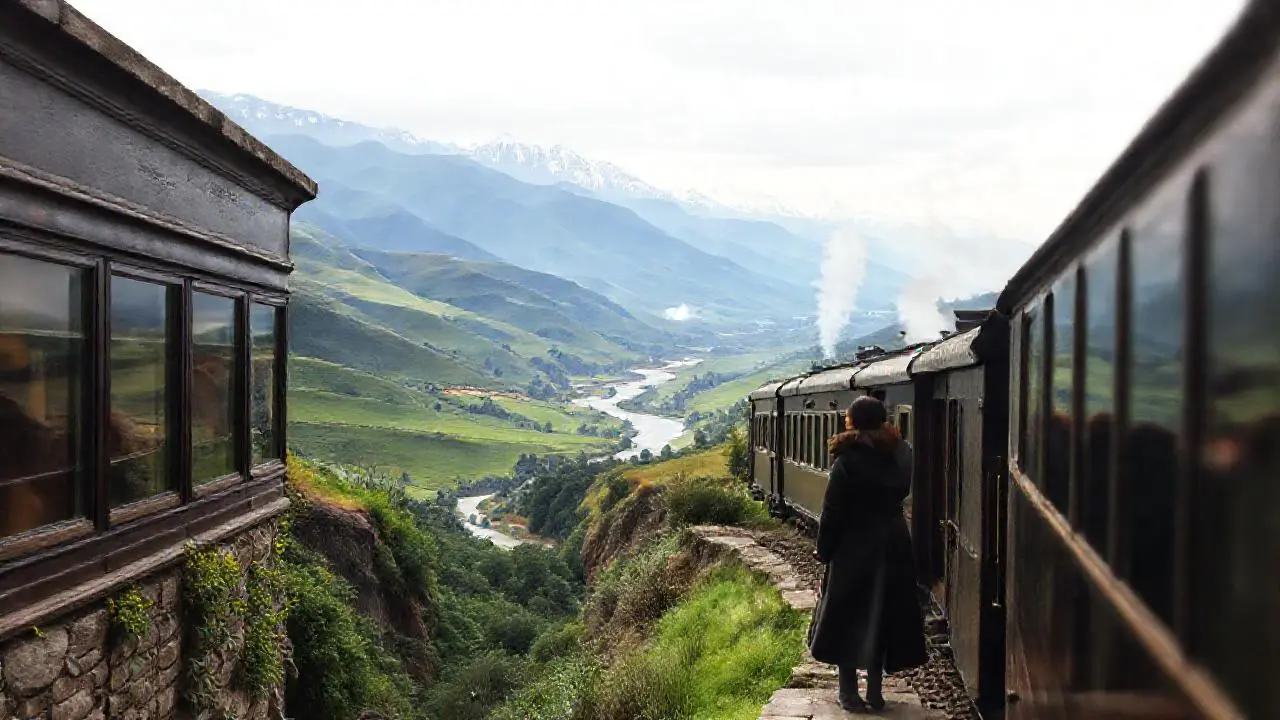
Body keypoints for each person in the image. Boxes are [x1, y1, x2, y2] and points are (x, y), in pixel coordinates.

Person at [808, 395, 927, 712]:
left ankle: (848, 692)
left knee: (847, 616)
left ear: (851, 422)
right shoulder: (903, 453)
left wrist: (824, 549)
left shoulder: (847, 461)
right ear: (883, 419)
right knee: (885, 615)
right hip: (894, 541)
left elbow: (833, 512)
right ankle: (875, 692)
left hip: (855, 545)